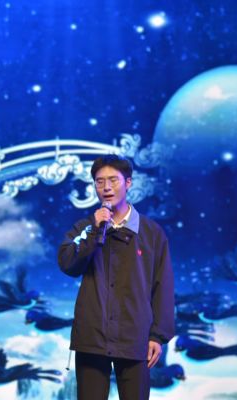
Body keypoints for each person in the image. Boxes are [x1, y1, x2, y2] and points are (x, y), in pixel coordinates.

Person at [58, 155, 174, 400]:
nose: (106, 187)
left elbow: (162, 286)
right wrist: (94, 229)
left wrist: (157, 336)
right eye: (100, 182)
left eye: (113, 180)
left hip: (135, 338)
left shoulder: (152, 233)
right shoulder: (86, 227)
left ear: (128, 183)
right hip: (92, 337)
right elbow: (68, 264)